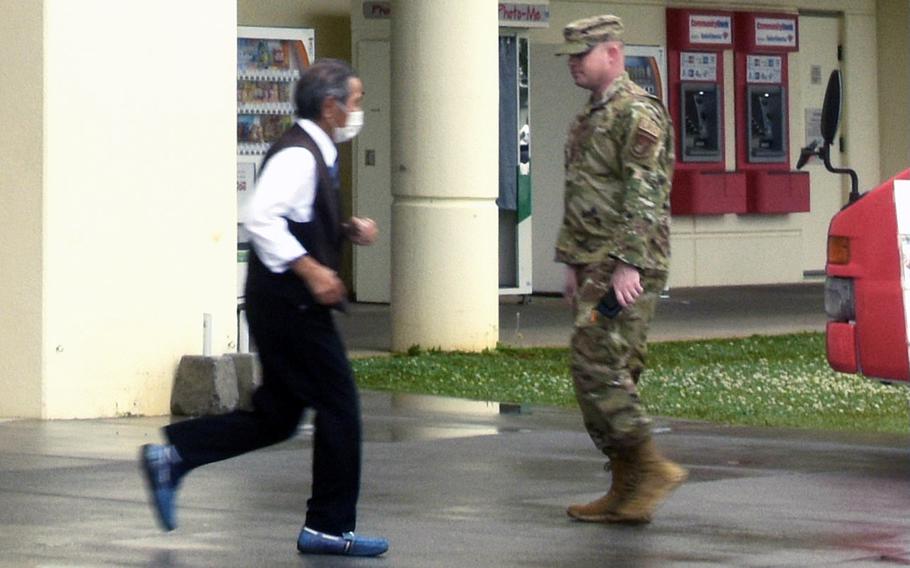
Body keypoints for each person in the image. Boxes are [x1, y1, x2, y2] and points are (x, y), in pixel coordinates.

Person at [139, 58, 389, 557]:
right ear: (331, 106)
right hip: (290, 305)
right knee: (340, 407)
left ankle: (174, 455)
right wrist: (314, 270)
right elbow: (261, 220)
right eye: (356, 101)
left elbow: (293, 217)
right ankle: (327, 526)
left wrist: (343, 231)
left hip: (282, 303)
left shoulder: (316, 151)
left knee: (277, 416)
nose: (359, 111)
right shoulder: (299, 155)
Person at [554, 15, 687, 524]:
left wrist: (627, 263)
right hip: (595, 260)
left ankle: (648, 468)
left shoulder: (638, 113)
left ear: (612, 53)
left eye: (581, 54)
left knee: (596, 363)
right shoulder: (590, 117)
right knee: (616, 367)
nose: (573, 64)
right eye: (569, 55)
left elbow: (646, 192)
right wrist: (572, 261)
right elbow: (583, 193)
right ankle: (627, 487)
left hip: (625, 261)